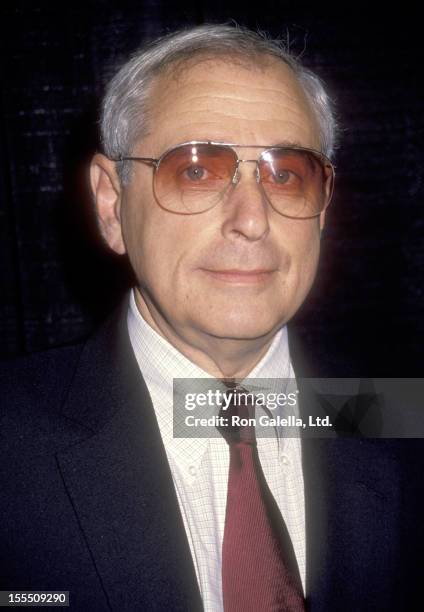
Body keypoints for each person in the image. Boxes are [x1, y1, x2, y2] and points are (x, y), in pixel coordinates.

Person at [0, 23, 421, 612]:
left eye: (286, 174)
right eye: (196, 169)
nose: (252, 218)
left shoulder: (396, 421)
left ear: (322, 208)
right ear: (112, 204)